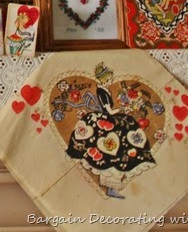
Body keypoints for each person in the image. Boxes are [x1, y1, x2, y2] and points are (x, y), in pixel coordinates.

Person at [65, 64, 156, 199]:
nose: (111, 81)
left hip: (108, 120)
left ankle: (111, 187)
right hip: (106, 121)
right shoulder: (102, 92)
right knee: (112, 152)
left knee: (118, 150)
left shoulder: (104, 89)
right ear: (104, 79)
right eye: (109, 79)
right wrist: (123, 110)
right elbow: (109, 111)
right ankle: (110, 187)